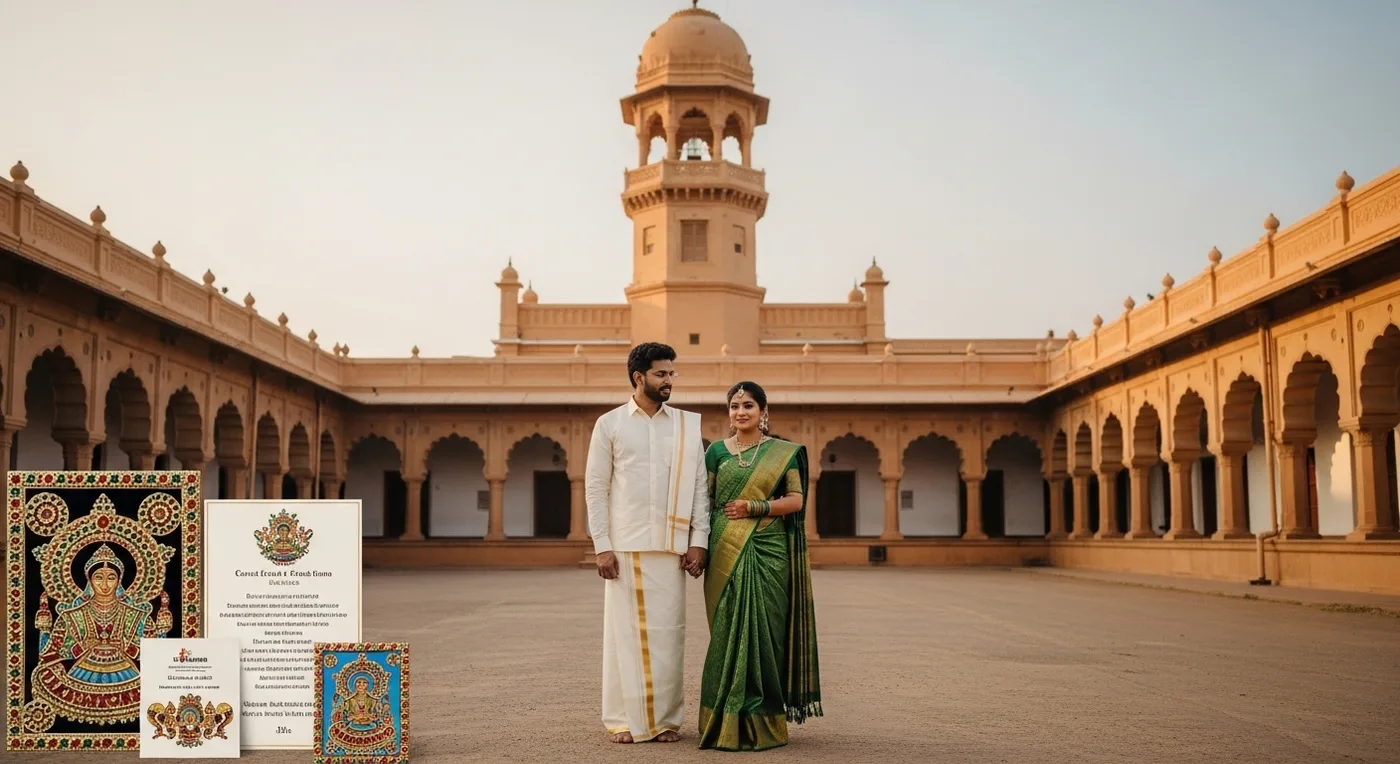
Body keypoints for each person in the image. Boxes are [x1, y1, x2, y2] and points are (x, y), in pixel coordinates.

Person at [585, 342, 711, 744]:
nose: (669, 380)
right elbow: (595, 487)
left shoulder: (686, 426)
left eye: (672, 373)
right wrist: (602, 544)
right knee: (623, 635)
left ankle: (665, 721)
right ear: (639, 378)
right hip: (625, 545)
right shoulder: (611, 424)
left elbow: (699, 488)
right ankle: (623, 719)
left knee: (668, 635)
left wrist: (699, 540)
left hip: (672, 545)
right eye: (661, 374)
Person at [697, 381, 822, 751]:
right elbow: (705, 502)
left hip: (769, 549)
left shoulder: (782, 452)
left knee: (765, 631)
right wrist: (697, 548)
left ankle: (763, 720)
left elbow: (796, 501)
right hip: (724, 547)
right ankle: (722, 720)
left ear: (763, 411)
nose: (740, 412)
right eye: (734, 406)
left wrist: (756, 507)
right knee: (726, 631)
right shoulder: (717, 452)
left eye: (748, 405)